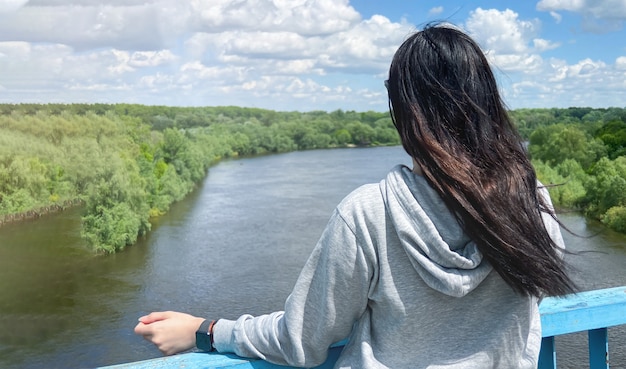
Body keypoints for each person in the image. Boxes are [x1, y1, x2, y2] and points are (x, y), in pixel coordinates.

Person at [134, 23, 576, 368]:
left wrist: (206, 331)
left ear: (403, 112)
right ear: (487, 102)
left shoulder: (370, 213)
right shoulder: (530, 201)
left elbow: (302, 342)